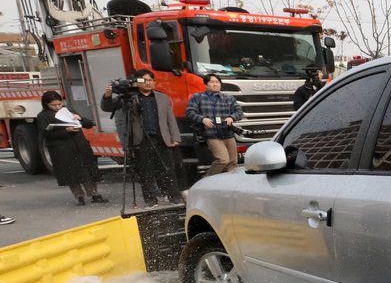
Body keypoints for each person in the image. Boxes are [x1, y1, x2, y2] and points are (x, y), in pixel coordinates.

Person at [101, 70, 183, 207]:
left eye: (150, 80)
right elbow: (108, 107)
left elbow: (170, 119)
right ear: (137, 82)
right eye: (144, 80)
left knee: (168, 169)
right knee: (146, 171)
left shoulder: (162, 97)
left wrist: (175, 137)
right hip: (141, 140)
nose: (148, 83)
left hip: (162, 139)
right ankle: (150, 199)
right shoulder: (129, 98)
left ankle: (173, 195)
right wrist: (107, 96)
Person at [36, 90, 107, 205]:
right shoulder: (43, 116)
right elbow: (45, 133)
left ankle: (94, 194)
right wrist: (65, 130)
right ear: (46, 104)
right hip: (61, 149)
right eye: (53, 105)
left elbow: (89, 124)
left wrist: (80, 119)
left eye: (59, 104)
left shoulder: (68, 111)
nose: (57, 107)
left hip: (80, 145)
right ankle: (79, 196)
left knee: (88, 170)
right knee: (71, 173)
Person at [185, 73, 244, 176]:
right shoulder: (198, 97)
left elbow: (239, 112)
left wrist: (232, 117)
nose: (215, 84)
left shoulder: (228, 98)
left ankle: (231, 183)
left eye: (217, 82)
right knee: (223, 160)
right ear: (206, 84)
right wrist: (202, 119)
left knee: (233, 163)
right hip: (211, 135)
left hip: (228, 134)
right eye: (212, 82)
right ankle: (207, 180)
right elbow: (189, 112)